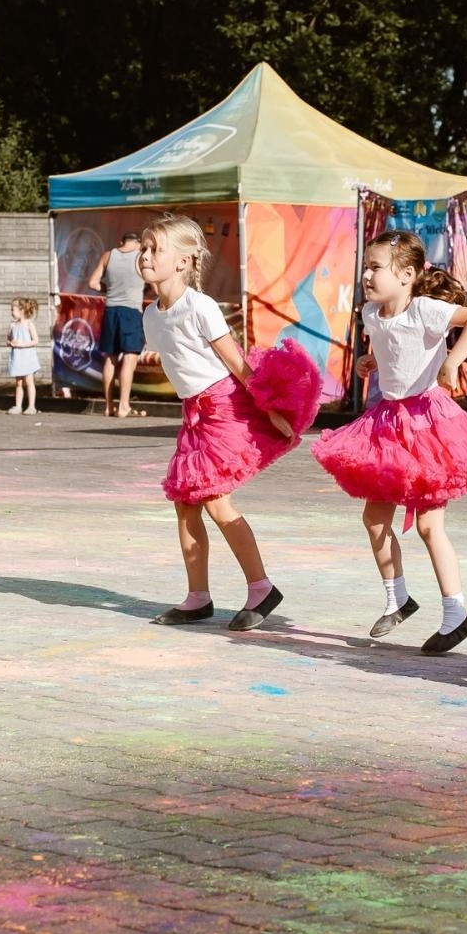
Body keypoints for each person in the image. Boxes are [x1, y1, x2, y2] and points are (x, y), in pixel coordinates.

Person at [311, 230, 467, 654]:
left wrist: (453, 358)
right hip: (387, 426)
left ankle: (456, 612)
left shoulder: (426, 310)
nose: (366, 275)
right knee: (374, 520)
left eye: (376, 267)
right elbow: (394, 348)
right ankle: (399, 598)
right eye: (366, 267)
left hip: (429, 427)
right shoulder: (372, 315)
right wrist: (372, 359)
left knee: (431, 526)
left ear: (407, 274)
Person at [138, 213, 321, 631]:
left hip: (224, 410)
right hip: (194, 414)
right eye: (144, 249)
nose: (145, 256)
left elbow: (236, 363)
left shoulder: (199, 306)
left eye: (155, 249)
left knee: (216, 501)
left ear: (183, 262)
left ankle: (261, 588)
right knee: (185, 506)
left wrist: (270, 407)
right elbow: (175, 355)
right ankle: (197, 598)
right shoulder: (152, 314)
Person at [89, 230, 147, 417]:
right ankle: (124, 406)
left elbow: (93, 283)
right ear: (138, 243)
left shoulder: (108, 255)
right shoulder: (141, 257)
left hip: (111, 310)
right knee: (129, 359)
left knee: (110, 358)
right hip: (131, 312)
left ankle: (108, 406)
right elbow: (154, 284)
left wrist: (107, 289)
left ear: (121, 241)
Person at [7, 297, 41, 414]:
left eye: (13, 310)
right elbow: (8, 338)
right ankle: (18, 406)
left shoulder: (29, 324)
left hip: (27, 357)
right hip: (17, 358)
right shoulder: (12, 325)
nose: (11, 312)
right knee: (18, 383)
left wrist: (22, 344)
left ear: (21, 310)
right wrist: (10, 342)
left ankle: (32, 407)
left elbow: (36, 340)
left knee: (29, 381)